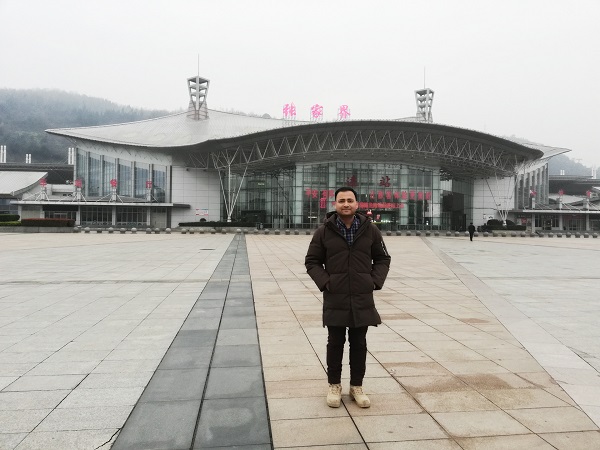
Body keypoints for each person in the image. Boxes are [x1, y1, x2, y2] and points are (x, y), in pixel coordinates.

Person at [305, 187, 391, 408]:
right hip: (336, 296)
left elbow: (382, 258)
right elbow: (312, 261)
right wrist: (326, 282)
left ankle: (356, 386)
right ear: (334, 204)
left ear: (357, 204)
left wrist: (373, 281)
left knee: (359, 343)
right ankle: (334, 385)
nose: (346, 204)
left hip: (362, 296)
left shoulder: (370, 231)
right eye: (341, 200)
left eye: (350, 200)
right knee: (335, 343)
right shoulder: (324, 231)